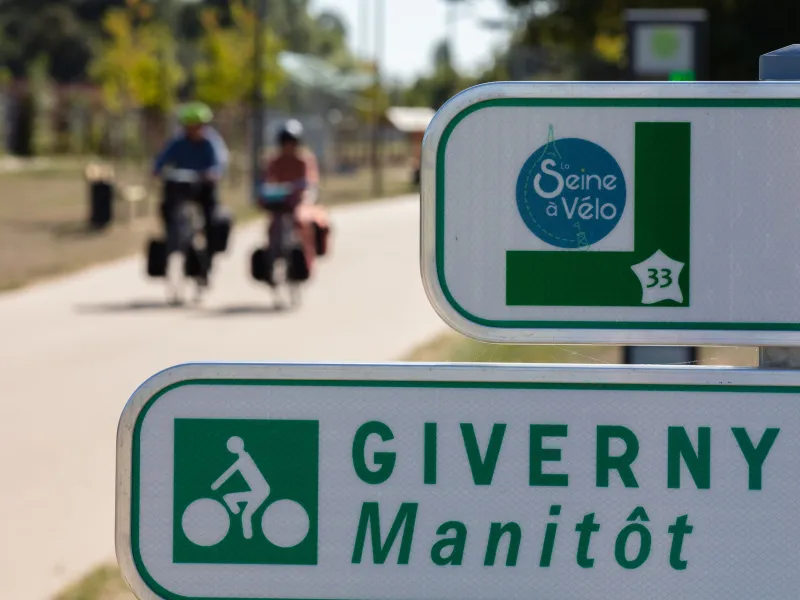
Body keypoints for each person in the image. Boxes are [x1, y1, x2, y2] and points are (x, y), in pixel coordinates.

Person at [152, 102, 229, 281]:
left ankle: (207, 262)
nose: (194, 130)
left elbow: (219, 162)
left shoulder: (212, 142)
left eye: (198, 126)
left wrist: (213, 173)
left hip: (203, 188)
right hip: (180, 187)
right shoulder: (178, 141)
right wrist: (156, 169)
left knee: (212, 219)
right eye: (190, 126)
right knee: (166, 208)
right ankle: (171, 242)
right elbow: (162, 159)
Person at [261, 119, 321, 276]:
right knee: (274, 224)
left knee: (302, 221)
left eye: (292, 142)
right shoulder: (274, 160)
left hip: (300, 199)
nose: (289, 146)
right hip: (280, 200)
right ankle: (271, 260)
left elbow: (311, 181)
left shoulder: (304, 159)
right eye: (286, 142)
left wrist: (305, 193)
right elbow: (267, 179)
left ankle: (306, 259)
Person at [211, 436, 270, 540]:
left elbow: (227, 473)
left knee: (239, 509)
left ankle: (248, 537)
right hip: (261, 491)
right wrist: (215, 485)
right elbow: (228, 473)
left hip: (261, 492)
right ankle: (247, 536)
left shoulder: (243, 460)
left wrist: (215, 485)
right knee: (244, 514)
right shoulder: (243, 459)